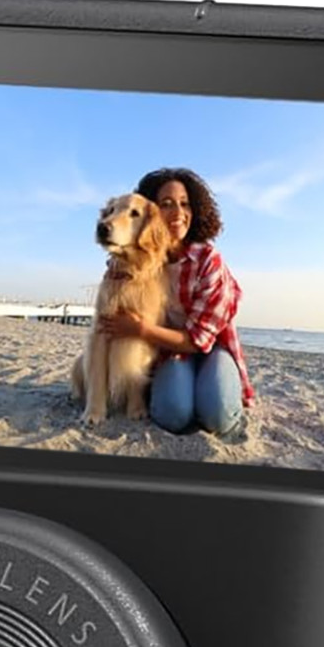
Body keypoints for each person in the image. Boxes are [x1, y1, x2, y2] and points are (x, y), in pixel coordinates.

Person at [97, 167, 253, 441]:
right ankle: (185, 389)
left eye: (185, 204)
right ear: (150, 213)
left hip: (209, 348)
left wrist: (140, 330)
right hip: (169, 351)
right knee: (172, 415)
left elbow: (199, 340)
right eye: (166, 204)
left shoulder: (209, 261)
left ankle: (209, 388)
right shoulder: (140, 261)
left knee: (218, 415)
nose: (178, 212)